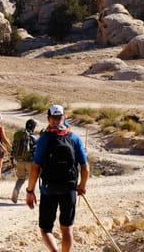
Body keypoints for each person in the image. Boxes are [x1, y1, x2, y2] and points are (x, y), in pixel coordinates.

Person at [26, 105, 90, 252]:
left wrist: (30, 190)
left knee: (46, 229)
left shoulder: (44, 139)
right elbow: (85, 167)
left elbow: (35, 168)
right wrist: (82, 186)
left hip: (48, 190)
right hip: (69, 189)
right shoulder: (74, 138)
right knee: (67, 228)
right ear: (64, 118)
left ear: (49, 119)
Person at [11, 119, 38, 204]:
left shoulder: (18, 135)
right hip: (30, 161)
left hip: (19, 160)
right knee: (32, 179)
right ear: (33, 127)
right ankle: (30, 197)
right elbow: (36, 150)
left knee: (21, 178)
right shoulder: (33, 137)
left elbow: (13, 147)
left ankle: (16, 190)